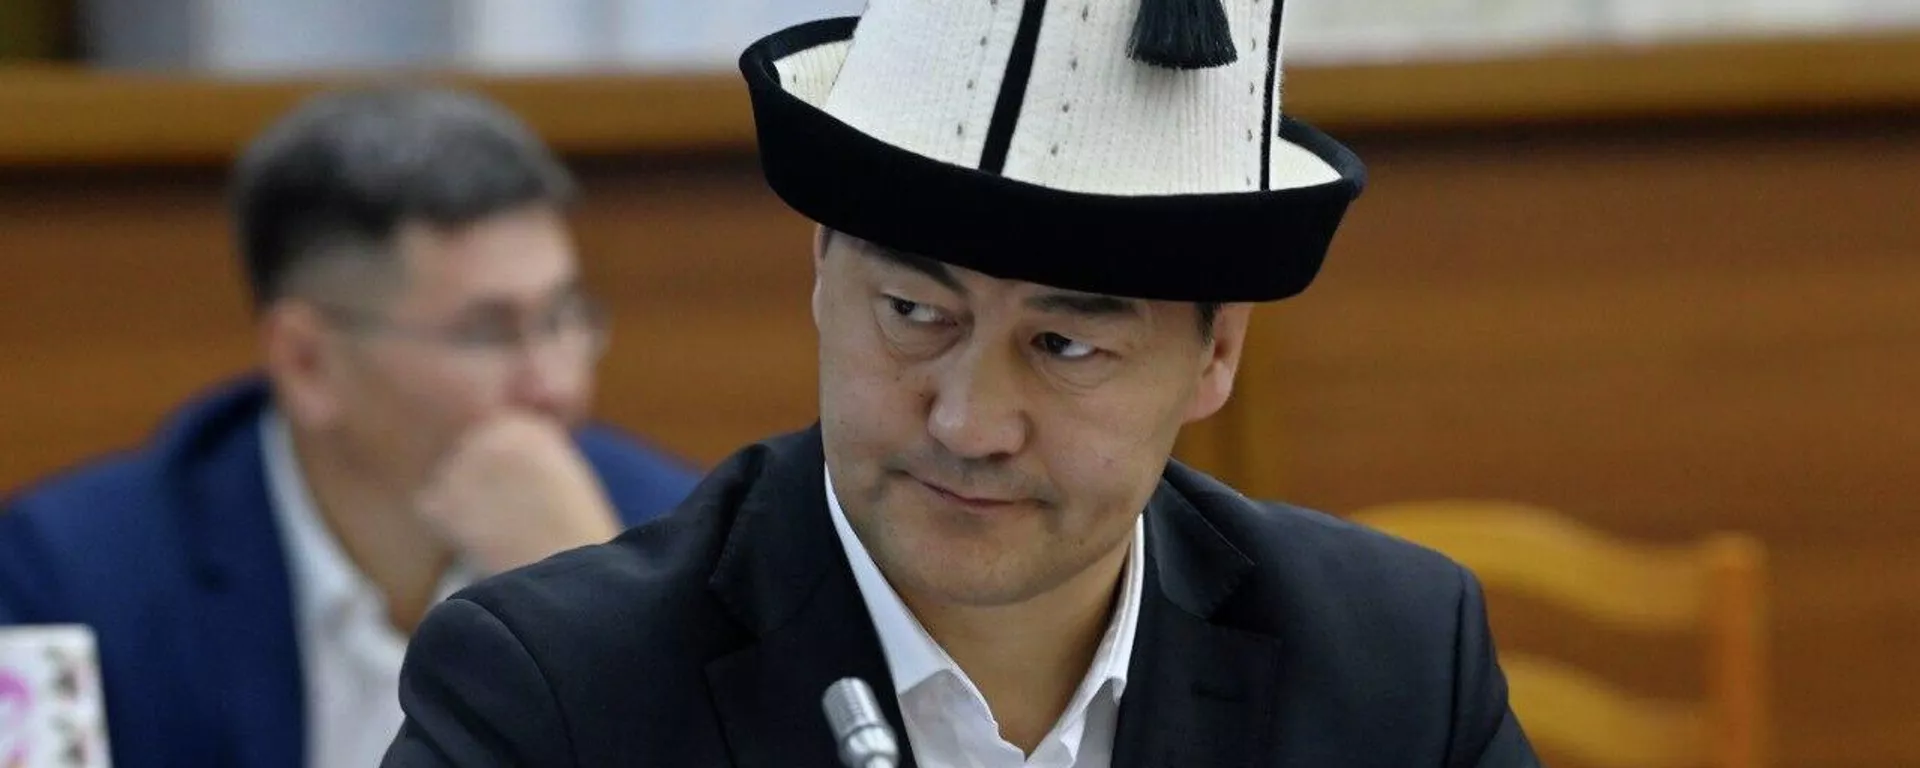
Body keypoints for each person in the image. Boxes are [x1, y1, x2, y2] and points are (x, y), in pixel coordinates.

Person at [383, 1, 1540, 765]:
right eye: (913, 315)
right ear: (821, 275)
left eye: (1065, 346)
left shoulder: (1391, 664)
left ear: (1216, 354)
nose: (969, 422)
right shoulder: (556, 693)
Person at [0, 85, 702, 768]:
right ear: (307, 362)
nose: (555, 383)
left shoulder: (678, 535)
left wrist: (596, 623)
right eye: (487, 332)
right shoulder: (70, 581)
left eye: (562, 316)